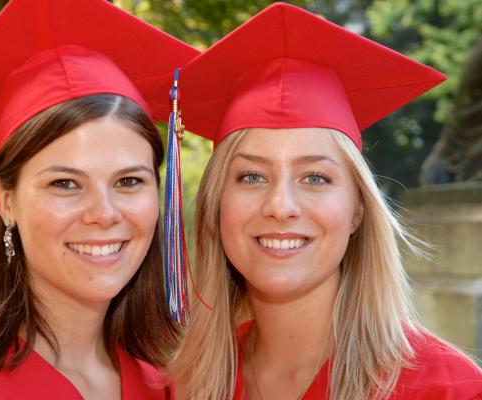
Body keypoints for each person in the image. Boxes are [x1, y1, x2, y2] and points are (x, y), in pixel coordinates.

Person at [0, 0, 198, 398]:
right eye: (65, 183)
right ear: (5, 200)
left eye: (129, 181)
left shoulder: (166, 385)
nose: (104, 213)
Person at [166, 3, 482, 399]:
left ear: (357, 211)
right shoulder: (186, 384)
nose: (281, 206)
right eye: (251, 176)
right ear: (215, 205)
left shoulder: (445, 389)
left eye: (315, 177)